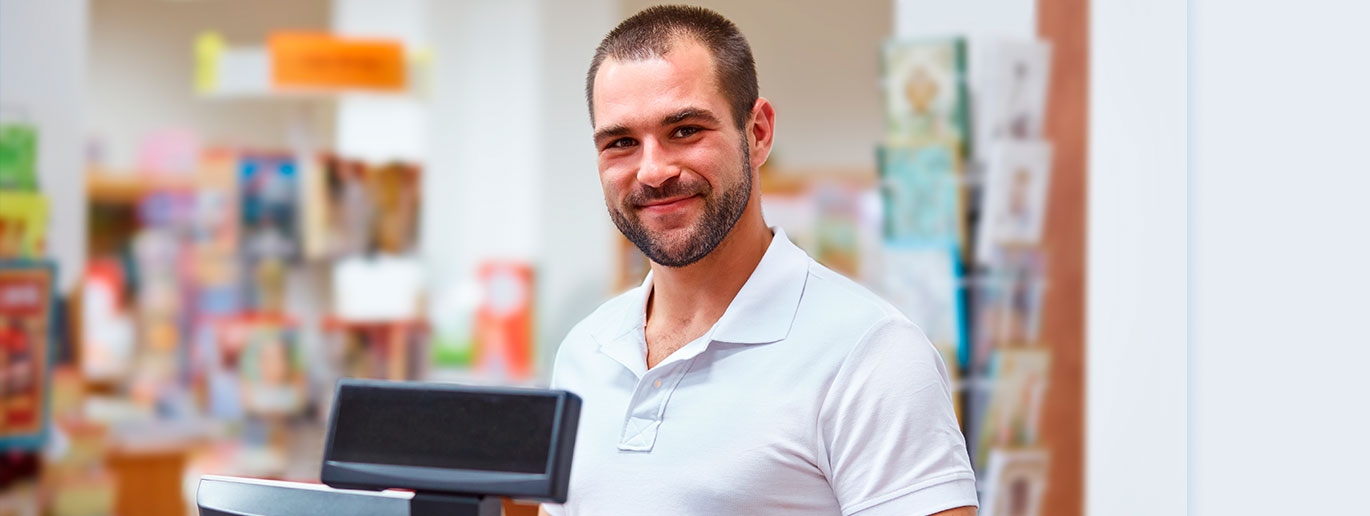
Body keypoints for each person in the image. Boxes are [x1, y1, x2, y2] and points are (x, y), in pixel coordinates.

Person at [541, 5, 977, 515]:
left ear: (759, 133)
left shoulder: (872, 354)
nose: (652, 171)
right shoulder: (583, 354)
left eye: (684, 130)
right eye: (621, 143)